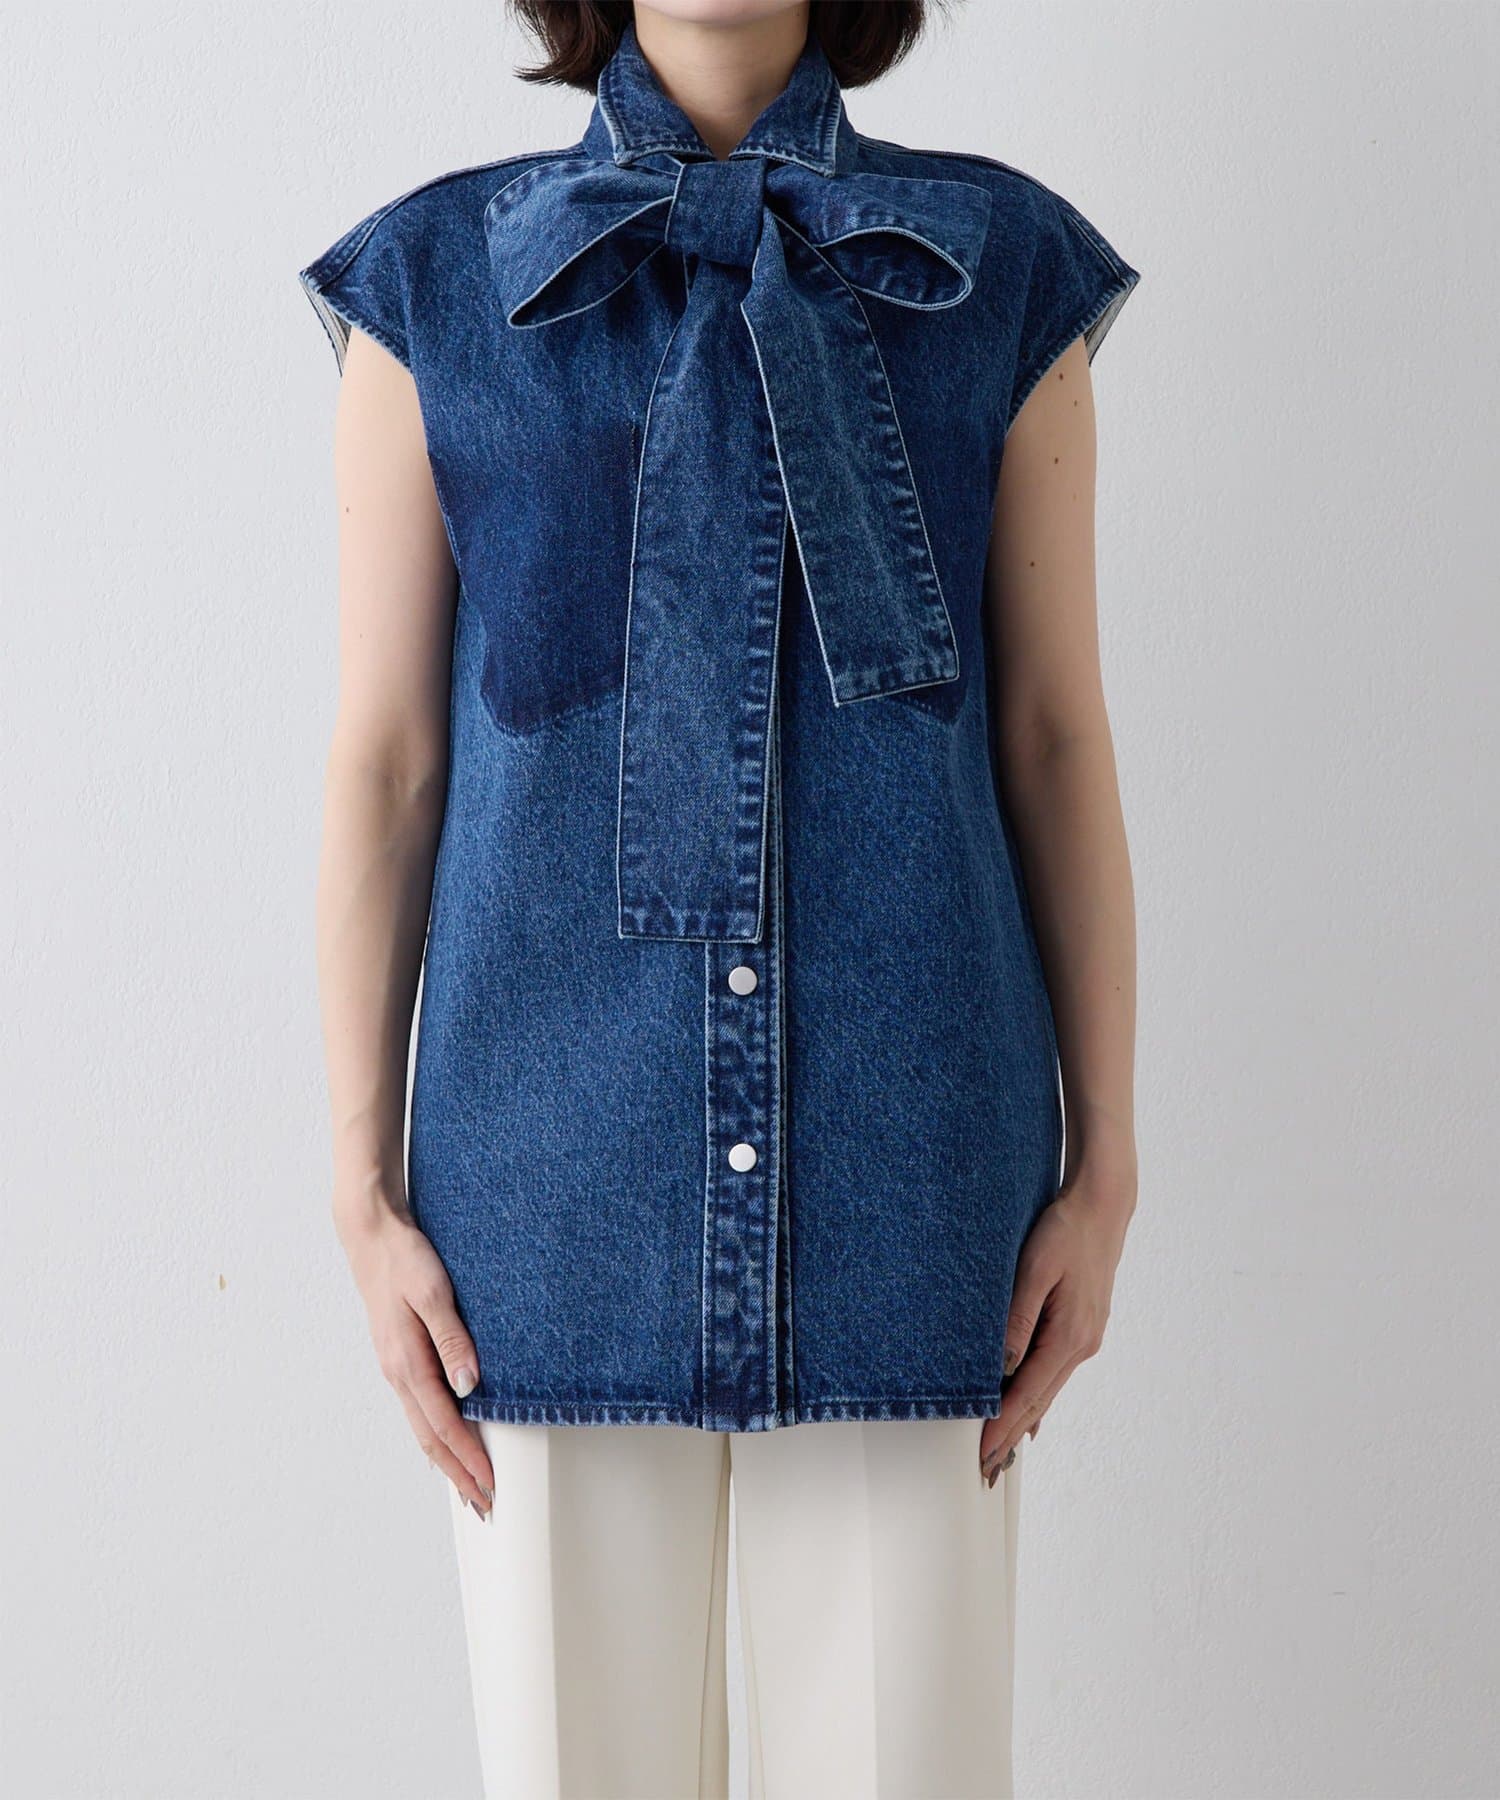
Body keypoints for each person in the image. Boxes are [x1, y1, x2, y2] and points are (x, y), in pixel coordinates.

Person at [297, 1, 1140, 1794]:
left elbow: (1055, 738)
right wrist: (361, 1194)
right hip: (539, 1210)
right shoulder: (436, 287)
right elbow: (387, 763)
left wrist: (1108, 1166)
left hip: (917, 1192)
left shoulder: (996, 270)